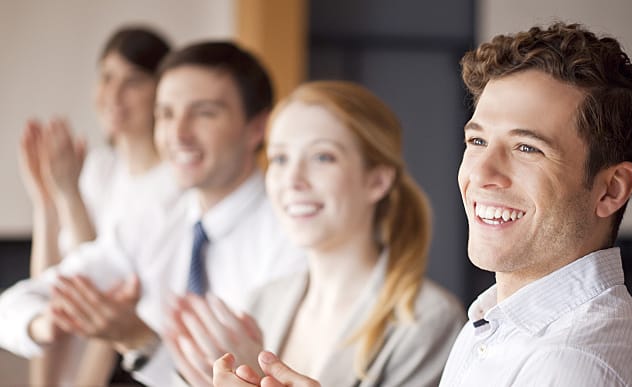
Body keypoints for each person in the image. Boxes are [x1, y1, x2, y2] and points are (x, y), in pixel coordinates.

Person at [0, 41, 304, 386]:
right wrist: (49, 321)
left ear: (257, 127)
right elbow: (11, 307)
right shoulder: (154, 222)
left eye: (204, 113)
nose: (178, 134)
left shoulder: (292, 237)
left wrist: (142, 342)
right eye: (166, 114)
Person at [436, 22, 632, 386]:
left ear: (611, 190)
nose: (483, 173)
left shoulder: (573, 364)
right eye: (477, 142)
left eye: (526, 148)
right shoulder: (491, 325)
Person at [172, 81, 466, 387]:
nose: (292, 180)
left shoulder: (428, 322)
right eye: (280, 159)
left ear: (377, 180)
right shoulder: (264, 300)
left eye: (322, 157)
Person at [18, 25, 177, 387]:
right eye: (106, 77)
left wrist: (69, 196)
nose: (114, 95)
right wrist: (47, 201)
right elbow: (51, 283)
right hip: (65, 363)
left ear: (160, 91)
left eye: (133, 81)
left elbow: (103, 294)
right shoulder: (99, 168)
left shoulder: (172, 187)